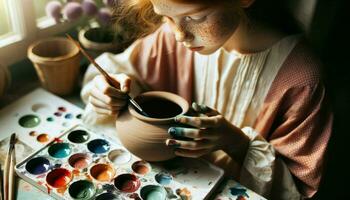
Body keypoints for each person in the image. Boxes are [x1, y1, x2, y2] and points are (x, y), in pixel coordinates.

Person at [80, 0, 333, 199]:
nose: (180, 35)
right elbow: (121, 71)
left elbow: (297, 189)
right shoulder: (169, 39)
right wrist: (106, 90)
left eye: (195, 18)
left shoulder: (301, 79)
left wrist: (236, 142)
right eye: (166, 17)